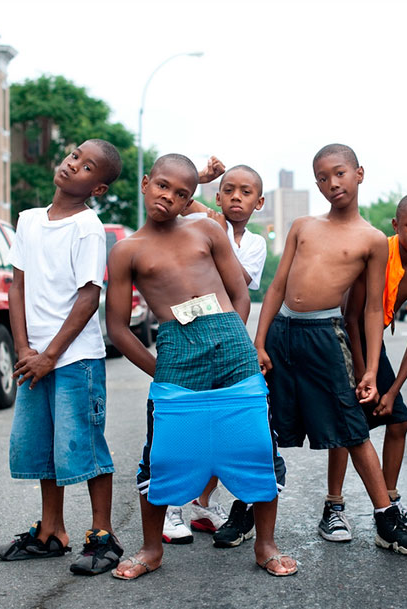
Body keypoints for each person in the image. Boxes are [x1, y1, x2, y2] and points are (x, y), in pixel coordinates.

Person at [106, 153, 295, 578]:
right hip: (175, 350)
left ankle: (265, 544)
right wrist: (161, 370)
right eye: (162, 186)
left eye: (181, 194)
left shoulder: (207, 229)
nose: (168, 197)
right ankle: (151, 549)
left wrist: (233, 337)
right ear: (145, 183)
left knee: (258, 448)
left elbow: (241, 292)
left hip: (231, 342)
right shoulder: (126, 251)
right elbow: (117, 328)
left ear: (191, 198)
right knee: (163, 456)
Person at [254, 143, 407, 556]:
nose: (332, 183)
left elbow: (370, 308)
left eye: (340, 174)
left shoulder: (372, 240)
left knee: (352, 427)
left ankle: (386, 521)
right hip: (282, 333)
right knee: (263, 426)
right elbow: (277, 287)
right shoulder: (302, 226)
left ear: (359, 174)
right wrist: (259, 342)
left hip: (325, 336)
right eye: (322, 177)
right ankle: (248, 512)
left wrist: (368, 369)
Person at [0, 139, 124, 575]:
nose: (73, 168)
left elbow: (89, 297)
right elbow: (17, 287)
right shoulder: (29, 220)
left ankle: (102, 534)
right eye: (73, 157)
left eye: (87, 168)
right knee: (44, 446)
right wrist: (23, 348)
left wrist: (50, 355)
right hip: (35, 357)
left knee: (83, 446)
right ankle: (52, 532)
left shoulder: (88, 227)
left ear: (97, 188)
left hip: (74, 360)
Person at [320, 192, 407, 542]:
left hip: (372, 344)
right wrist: (364, 375)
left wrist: (390, 391)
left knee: (399, 419)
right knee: (349, 425)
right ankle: (334, 506)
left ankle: (388, 504)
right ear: (396, 226)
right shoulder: (379, 252)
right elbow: (352, 317)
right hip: (341, 338)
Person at [173, 164, 269, 548]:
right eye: (228, 190)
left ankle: (202, 503)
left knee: (223, 427)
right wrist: (200, 174)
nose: (235, 197)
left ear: (258, 202)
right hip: (191, 330)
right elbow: (175, 196)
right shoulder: (200, 218)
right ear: (216, 194)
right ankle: (170, 508)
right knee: (187, 425)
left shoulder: (255, 243)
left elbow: (239, 282)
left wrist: (218, 236)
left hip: (229, 339)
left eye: (245, 192)